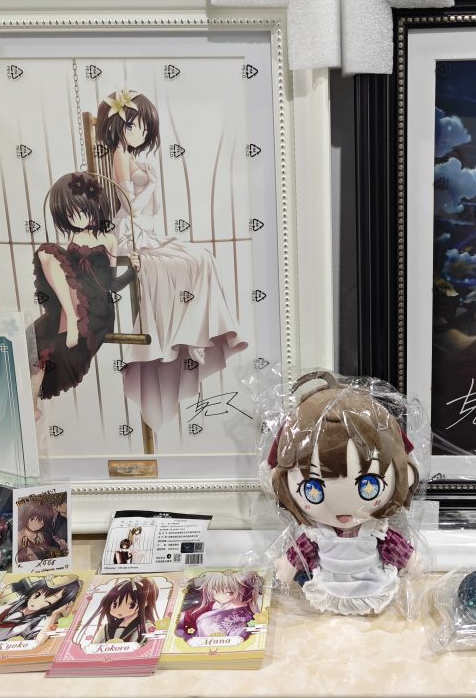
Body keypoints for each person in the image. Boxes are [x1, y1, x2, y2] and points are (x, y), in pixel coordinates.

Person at [97, 90, 246, 430]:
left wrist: (149, 185)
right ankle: (187, 336)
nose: (139, 133)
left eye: (144, 127)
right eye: (132, 125)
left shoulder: (130, 155)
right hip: (130, 232)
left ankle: (196, 332)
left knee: (201, 258)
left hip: (146, 229)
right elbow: (129, 205)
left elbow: (148, 206)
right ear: (117, 125)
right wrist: (149, 185)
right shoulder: (119, 154)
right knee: (186, 262)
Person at [268, 373, 419, 616]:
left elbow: (396, 547)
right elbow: (302, 551)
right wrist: (287, 565)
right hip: (327, 586)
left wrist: (411, 561)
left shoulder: (375, 529)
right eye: (313, 490)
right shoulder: (317, 532)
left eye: (369, 485)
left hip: (373, 583)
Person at [31, 172, 139, 401]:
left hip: (97, 309)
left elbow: (111, 284)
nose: (76, 219)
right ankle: (32, 404)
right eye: (69, 214)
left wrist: (132, 271)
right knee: (46, 251)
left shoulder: (109, 239)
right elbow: (66, 274)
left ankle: (71, 319)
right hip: (73, 301)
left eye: (80, 211)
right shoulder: (72, 238)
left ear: (93, 205)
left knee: (54, 344)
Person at [0, 576, 82, 643]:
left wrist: (54, 614)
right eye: (37, 595)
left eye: (47, 601)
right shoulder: (15, 602)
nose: (36, 602)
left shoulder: (41, 621)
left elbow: (38, 642)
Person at [177, 570, 262, 643]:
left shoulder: (245, 617)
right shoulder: (217, 606)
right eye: (214, 588)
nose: (211, 592)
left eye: (215, 588)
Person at [78, 577, 158, 645]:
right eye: (115, 604)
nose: (120, 609)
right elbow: (94, 646)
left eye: (131, 605)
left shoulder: (147, 627)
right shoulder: (106, 628)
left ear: (145, 603)